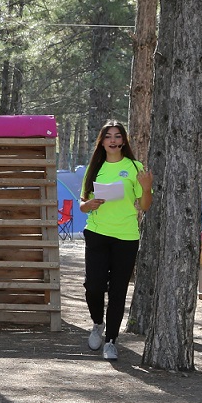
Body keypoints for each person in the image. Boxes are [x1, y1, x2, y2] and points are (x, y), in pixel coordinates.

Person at [77, 120, 153, 361]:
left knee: (119, 291)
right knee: (94, 286)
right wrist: (87, 205)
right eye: (108, 136)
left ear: (124, 141)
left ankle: (111, 340)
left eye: (117, 136)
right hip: (97, 233)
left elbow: (144, 206)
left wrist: (147, 188)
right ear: (101, 141)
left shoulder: (134, 166)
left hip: (126, 236)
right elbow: (82, 204)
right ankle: (97, 323)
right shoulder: (94, 168)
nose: (113, 140)